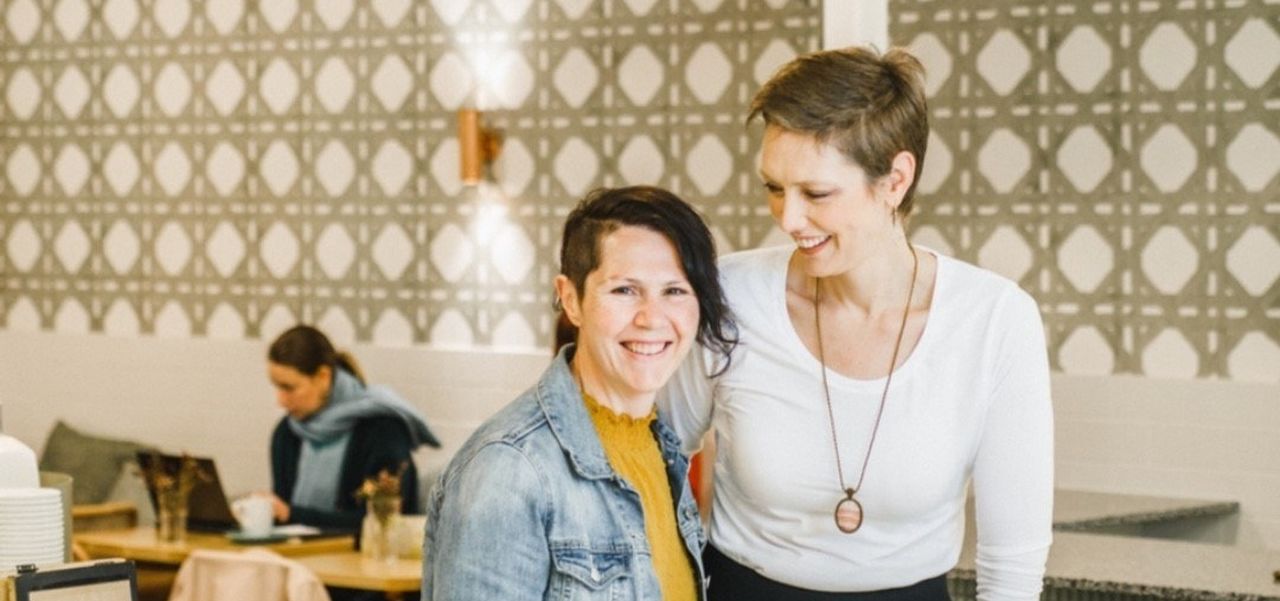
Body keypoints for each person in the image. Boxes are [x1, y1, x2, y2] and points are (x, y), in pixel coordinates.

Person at [658, 46, 1054, 600]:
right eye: (774, 188)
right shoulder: (730, 295)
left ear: (895, 180)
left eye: (816, 193)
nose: (788, 219)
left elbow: (1012, 561)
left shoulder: (995, 320)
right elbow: (651, 464)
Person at [423, 186, 738, 600]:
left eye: (675, 291)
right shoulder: (509, 470)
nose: (651, 318)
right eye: (624, 290)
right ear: (571, 299)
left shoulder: (663, 447)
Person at [266, 324, 440, 530]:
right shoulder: (287, 432)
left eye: (289, 388)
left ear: (323, 376)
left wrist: (291, 514)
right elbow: (284, 517)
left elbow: (385, 522)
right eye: (277, 387)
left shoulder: (382, 429)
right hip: (302, 554)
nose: (281, 401)